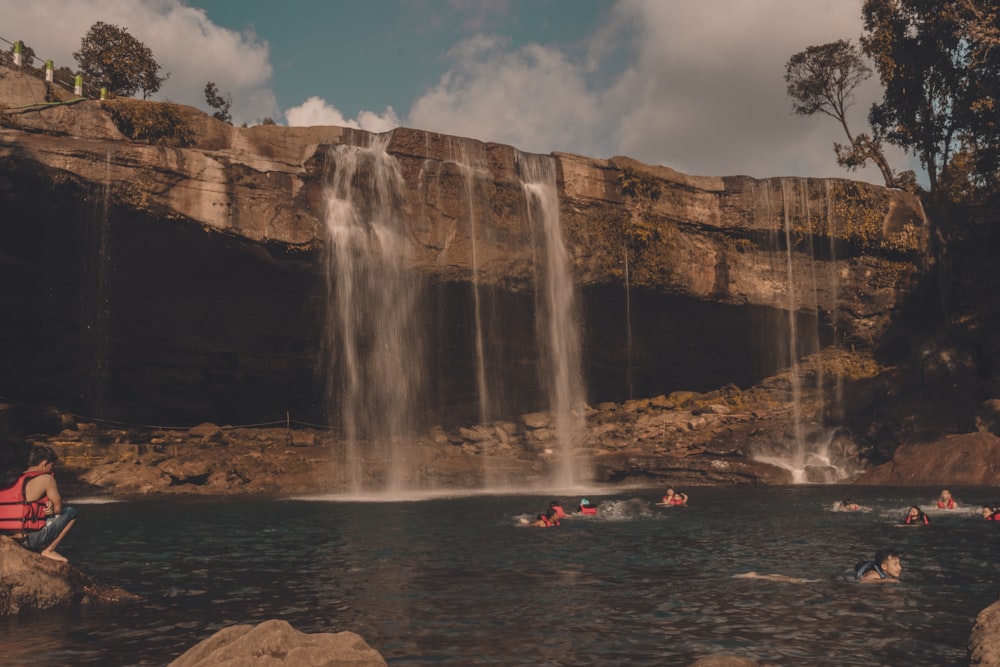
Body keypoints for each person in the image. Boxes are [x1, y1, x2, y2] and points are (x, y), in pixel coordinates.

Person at [0, 445, 77, 562]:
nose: (52, 469)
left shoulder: (14, 478)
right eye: (52, 466)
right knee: (71, 512)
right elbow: (59, 510)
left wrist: (47, 503)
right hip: (28, 540)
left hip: (7, 536)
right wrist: (52, 508)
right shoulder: (46, 478)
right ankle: (49, 550)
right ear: (44, 463)